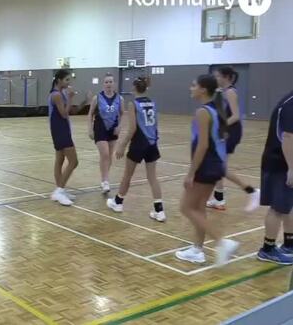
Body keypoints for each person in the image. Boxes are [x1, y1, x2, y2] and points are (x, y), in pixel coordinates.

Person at [175, 74, 238, 265]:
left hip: (205, 166)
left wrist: (191, 172)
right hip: (214, 165)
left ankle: (221, 242)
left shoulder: (203, 112)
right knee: (199, 207)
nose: (191, 88)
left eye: (193, 85)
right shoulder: (216, 109)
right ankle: (197, 250)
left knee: (186, 207)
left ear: (203, 89)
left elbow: (202, 145)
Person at [107, 77, 165, 222]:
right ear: (145, 88)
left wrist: (121, 145)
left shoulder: (133, 104)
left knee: (127, 175)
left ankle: (118, 203)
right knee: (153, 177)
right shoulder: (153, 103)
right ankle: (160, 211)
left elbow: (132, 128)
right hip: (152, 143)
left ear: (134, 88)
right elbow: (155, 124)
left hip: (139, 142)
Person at [206, 66, 260, 211]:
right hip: (226, 131)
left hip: (231, 132)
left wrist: (219, 127)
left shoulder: (230, 92)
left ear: (227, 77)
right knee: (219, 166)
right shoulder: (223, 92)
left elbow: (235, 116)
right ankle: (219, 199)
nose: (215, 78)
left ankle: (252, 191)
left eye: (217, 76)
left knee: (220, 168)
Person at [256, 90, 293, 265]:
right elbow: (288, 137)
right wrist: (292, 168)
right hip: (279, 163)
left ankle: (289, 244)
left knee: (288, 205)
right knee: (278, 208)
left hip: (284, 162)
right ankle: (267, 249)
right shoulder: (290, 103)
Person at [48, 70, 80, 206]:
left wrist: (84, 102)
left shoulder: (61, 94)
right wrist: (71, 98)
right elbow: (64, 114)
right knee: (74, 161)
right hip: (60, 130)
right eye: (67, 80)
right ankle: (59, 191)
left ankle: (59, 190)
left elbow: (71, 111)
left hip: (61, 129)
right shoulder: (56, 95)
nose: (69, 82)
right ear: (59, 80)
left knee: (60, 160)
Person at [88, 73, 124, 193]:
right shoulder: (97, 98)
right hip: (100, 127)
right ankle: (105, 181)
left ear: (114, 84)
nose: (109, 84)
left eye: (111, 82)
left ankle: (104, 179)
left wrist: (119, 126)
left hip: (113, 128)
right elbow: (90, 114)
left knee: (109, 155)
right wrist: (89, 129)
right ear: (103, 84)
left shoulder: (120, 99)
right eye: (106, 82)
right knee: (104, 154)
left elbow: (122, 114)